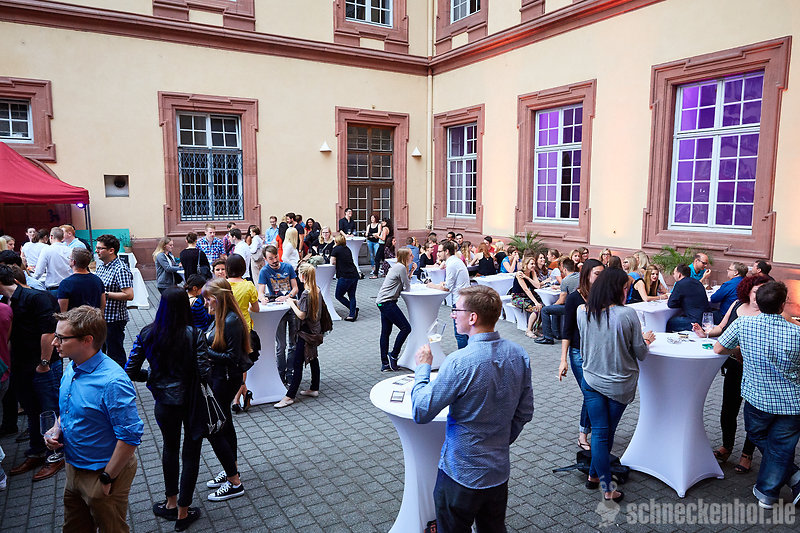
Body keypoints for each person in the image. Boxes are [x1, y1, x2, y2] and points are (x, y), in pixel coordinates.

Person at [411, 285, 533, 532]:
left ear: (473, 317)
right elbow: (525, 412)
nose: (453, 315)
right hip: (497, 472)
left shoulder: (460, 362)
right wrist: (499, 441)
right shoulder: (519, 354)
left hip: (460, 473)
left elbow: (421, 411)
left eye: (456, 310)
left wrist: (422, 368)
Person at [46, 305, 144, 532]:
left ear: (87, 340)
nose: (54, 342)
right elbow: (69, 408)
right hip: (74, 467)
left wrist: (107, 478)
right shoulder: (73, 366)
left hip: (102, 472)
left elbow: (130, 436)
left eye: (61, 338)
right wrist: (56, 429)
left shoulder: (113, 382)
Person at [126, 288, 208, 530]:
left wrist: (152, 377)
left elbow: (130, 370)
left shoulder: (147, 333)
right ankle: (183, 511)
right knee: (191, 453)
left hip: (163, 402)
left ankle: (171, 502)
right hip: (192, 402)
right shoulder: (195, 334)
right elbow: (204, 372)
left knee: (170, 448)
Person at [714, 281, 800, 509]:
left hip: (759, 399)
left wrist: (741, 351)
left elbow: (718, 348)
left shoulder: (743, 324)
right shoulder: (796, 332)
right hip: (792, 403)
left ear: (758, 304)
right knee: (780, 445)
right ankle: (777, 488)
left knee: (758, 435)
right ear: (782, 305)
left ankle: (773, 491)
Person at [578, 268, 653, 502]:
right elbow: (641, 353)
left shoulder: (583, 311)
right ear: (616, 289)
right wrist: (646, 340)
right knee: (604, 433)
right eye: (625, 288)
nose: (627, 292)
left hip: (591, 379)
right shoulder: (626, 314)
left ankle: (593, 475)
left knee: (601, 433)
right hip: (618, 383)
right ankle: (607, 488)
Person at [695, 274, 770, 475]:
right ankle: (726, 446)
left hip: (756, 370)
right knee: (728, 409)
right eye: (756, 291)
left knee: (752, 413)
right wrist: (705, 333)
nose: (759, 296)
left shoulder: (770, 311)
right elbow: (721, 328)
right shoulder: (737, 305)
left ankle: (747, 454)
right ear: (748, 290)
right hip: (735, 367)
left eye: (764, 291)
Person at [0, 264, 63, 481]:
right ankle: (36, 451)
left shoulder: (36, 298)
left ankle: (55, 455)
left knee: (49, 411)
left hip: (43, 366)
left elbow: (48, 333)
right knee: (32, 411)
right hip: (21, 367)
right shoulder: (5, 302)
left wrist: (44, 363)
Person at [201, 278, 250, 502]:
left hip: (226, 379)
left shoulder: (230, 321)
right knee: (226, 423)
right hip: (222, 378)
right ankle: (232, 469)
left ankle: (233, 479)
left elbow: (232, 357)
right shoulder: (222, 317)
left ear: (218, 298)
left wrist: (205, 349)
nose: (205, 303)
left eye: (208, 299)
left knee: (220, 426)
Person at [558, 259, 605, 452]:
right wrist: (563, 360)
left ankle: (594, 430)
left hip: (598, 352)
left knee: (595, 392)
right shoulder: (574, 298)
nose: (601, 278)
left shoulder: (603, 296)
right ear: (586, 274)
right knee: (590, 392)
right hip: (578, 353)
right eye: (597, 274)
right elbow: (567, 331)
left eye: (603, 274)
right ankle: (583, 435)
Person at [275, 263, 324, 408]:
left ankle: (290, 396)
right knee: (313, 358)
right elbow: (308, 306)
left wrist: (291, 303)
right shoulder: (316, 289)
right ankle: (314, 387)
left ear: (303, 276)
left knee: (298, 363)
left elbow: (302, 315)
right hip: (314, 331)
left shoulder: (306, 293)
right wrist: (296, 302)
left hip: (305, 333)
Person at [257, 245, 299, 384]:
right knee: (281, 346)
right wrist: (262, 298)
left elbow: (295, 288)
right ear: (265, 259)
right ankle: (280, 374)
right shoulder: (264, 271)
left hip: (292, 307)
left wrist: (288, 296)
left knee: (293, 344)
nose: (274, 260)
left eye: (276, 257)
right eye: (271, 258)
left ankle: (290, 373)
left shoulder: (288, 267)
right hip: (277, 310)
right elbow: (260, 291)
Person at [226, 254, 259, 413]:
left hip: (226, 328)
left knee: (233, 363)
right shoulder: (248, 286)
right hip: (244, 328)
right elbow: (256, 309)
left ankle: (239, 397)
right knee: (242, 364)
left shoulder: (223, 285)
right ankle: (238, 397)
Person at [95, 234, 134, 367]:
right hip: (102, 318)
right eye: (97, 248)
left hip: (114, 319)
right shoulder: (102, 266)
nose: (96, 251)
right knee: (101, 353)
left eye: (100, 248)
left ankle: (121, 377)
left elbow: (129, 295)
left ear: (111, 250)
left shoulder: (120, 269)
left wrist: (105, 294)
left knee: (115, 354)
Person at [375, 248, 416, 372]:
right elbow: (407, 287)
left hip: (382, 301)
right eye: (410, 255)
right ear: (405, 256)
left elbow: (404, 283)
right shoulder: (401, 268)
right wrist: (410, 272)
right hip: (387, 302)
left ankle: (385, 363)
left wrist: (411, 271)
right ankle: (393, 355)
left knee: (386, 332)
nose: (413, 257)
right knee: (406, 328)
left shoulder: (399, 267)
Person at [427, 240, 470, 349]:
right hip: (465, 298)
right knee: (465, 331)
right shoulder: (455, 261)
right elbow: (450, 283)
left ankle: (463, 356)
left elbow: (447, 288)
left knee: (460, 333)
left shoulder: (451, 264)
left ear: (446, 251)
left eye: (440, 251)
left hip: (460, 300)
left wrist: (432, 285)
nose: (437, 254)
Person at [536, 258, 579, 345]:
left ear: (565, 269)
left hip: (571, 307)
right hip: (581, 304)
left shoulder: (566, 280)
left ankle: (548, 337)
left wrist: (553, 304)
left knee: (545, 310)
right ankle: (556, 333)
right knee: (555, 307)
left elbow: (562, 300)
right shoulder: (580, 275)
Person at [57, 248, 106, 312]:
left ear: (73, 262)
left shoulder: (66, 284)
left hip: (74, 318)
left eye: (69, 258)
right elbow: (103, 305)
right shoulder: (97, 280)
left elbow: (63, 311)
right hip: (94, 317)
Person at [666, 263, 709, 332]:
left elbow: (671, 304)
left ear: (679, 274)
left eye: (674, 273)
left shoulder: (680, 284)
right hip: (706, 319)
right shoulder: (698, 283)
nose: (673, 276)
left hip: (695, 322)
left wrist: (681, 302)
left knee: (670, 323)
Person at [510, 256, 544, 339]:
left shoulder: (532, 272)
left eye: (534, 264)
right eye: (531, 264)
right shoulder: (519, 274)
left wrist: (527, 277)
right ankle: (529, 330)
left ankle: (536, 329)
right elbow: (526, 289)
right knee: (536, 308)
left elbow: (538, 285)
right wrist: (536, 302)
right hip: (517, 298)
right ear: (526, 264)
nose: (533, 266)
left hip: (527, 297)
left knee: (543, 307)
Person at [34, 226, 72, 293]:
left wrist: (32, 280)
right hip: (69, 287)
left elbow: (39, 271)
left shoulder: (47, 250)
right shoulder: (70, 250)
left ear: (51, 236)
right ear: (63, 238)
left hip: (54, 288)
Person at [330, 233, 360, 321]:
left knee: (338, 295)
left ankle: (353, 310)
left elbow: (332, 262)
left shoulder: (336, 249)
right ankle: (352, 313)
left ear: (336, 241)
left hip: (345, 275)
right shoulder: (347, 249)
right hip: (354, 274)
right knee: (352, 295)